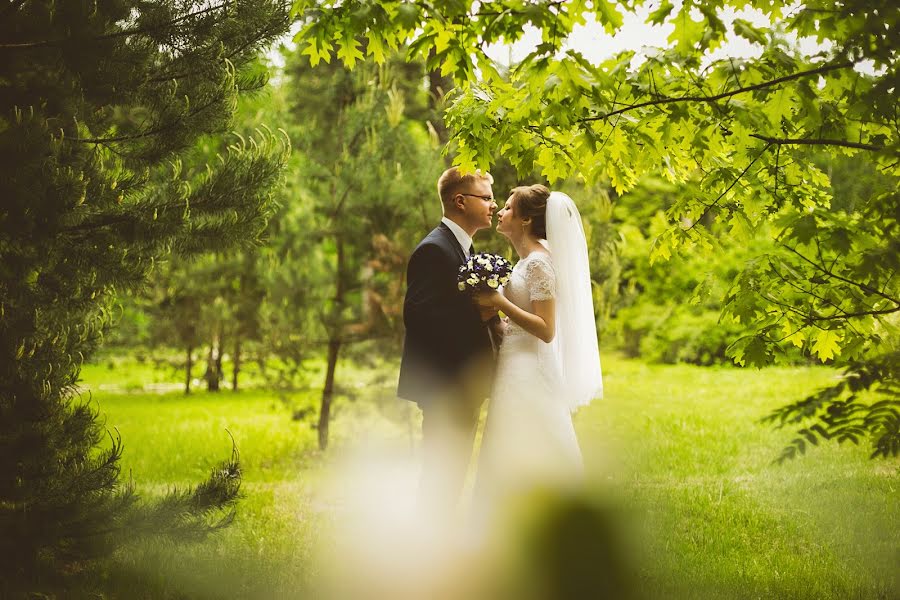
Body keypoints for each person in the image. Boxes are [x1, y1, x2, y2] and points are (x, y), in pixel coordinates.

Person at [471, 184, 603, 526]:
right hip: (514, 364)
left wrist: (498, 303)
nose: (500, 211)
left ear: (527, 219)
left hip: (529, 370)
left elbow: (546, 329)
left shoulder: (539, 264)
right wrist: (496, 320)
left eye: (510, 208)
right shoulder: (526, 261)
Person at [397, 166, 500, 518]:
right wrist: (480, 314)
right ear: (460, 201)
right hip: (446, 386)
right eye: (486, 198)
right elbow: (418, 316)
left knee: (451, 475)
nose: (494, 205)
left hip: (459, 387)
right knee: (442, 476)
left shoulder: (460, 248)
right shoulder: (435, 250)